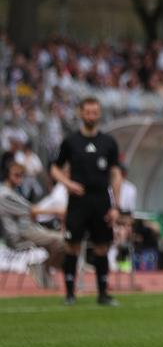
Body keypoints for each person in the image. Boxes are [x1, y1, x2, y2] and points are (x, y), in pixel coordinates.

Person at [49, 97, 123, 306]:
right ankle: (70, 294)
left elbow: (116, 174)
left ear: (99, 114)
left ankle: (103, 294)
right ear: (81, 113)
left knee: (102, 247)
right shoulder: (71, 141)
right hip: (78, 201)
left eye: (95, 112)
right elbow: (54, 168)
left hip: (101, 200)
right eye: (88, 112)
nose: (91, 115)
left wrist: (116, 205)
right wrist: (68, 183)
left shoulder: (108, 142)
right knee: (72, 246)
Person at [0, 162, 66, 287]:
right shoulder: (4, 194)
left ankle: (43, 268)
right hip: (21, 233)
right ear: (7, 175)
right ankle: (44, 268)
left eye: (21, 175)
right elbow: (32, 211)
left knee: (62, 242)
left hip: (29, 229)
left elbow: (32, 212)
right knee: (63, 241)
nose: (20, 178)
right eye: (16, 175)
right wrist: (58, 211)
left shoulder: (12, 192)